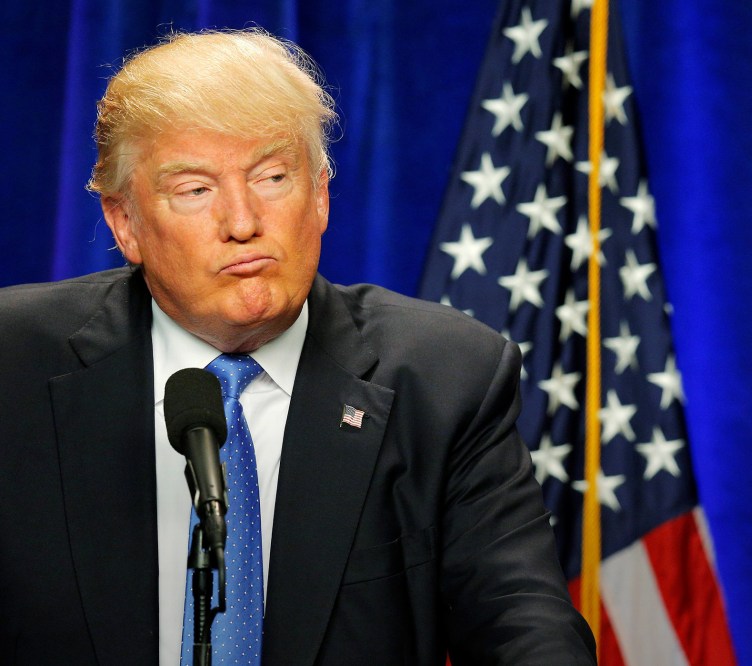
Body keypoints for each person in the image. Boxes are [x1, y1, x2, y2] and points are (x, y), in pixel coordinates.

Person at [0, 28, 596, 665]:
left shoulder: (446, 378)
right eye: (195, 190)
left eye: (274, 176)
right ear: (125, 224)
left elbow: (522, 624)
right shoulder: (14, 365)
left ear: (320, 194)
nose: (242, 222)